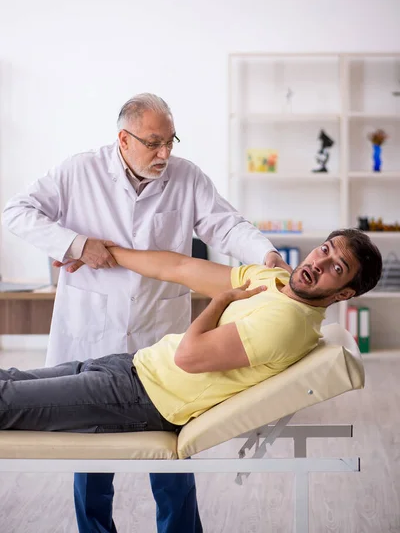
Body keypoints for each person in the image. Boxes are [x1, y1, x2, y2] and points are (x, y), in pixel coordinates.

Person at [1, 93, 290, 533]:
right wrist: (76, 245)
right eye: (154, 143)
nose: (165, 153)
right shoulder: (80, 170)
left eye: (171, 141)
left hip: (160, 337)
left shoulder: (186, 177)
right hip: (92, 329)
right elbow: (16, 212)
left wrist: (265, 254)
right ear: (123, 139)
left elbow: (225, 224)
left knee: (174, 449)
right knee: (90, 451)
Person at [0, 228, 382, 439]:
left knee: (7, 399)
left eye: (336, 267)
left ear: (345, 292)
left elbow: (188, 356)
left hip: (144, 399)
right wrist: (100, 253)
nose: (319, 263)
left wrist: (221, 301)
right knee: (11, 379)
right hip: (133, 365)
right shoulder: (274, 278)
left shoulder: (287, 325)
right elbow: (179, 267)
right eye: (325, 250)